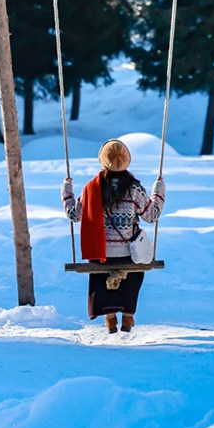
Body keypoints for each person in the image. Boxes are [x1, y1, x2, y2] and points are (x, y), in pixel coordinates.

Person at [61, 139, 165, 334]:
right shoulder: (134, 190)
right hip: (130, 255)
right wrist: (158, 191)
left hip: (100, 253)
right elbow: (151, 216)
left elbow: (74, 215)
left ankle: (109, 317)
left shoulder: (91, 188)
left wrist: (67, 192)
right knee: (136, 267)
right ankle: (128, 315)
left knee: (101, 270)